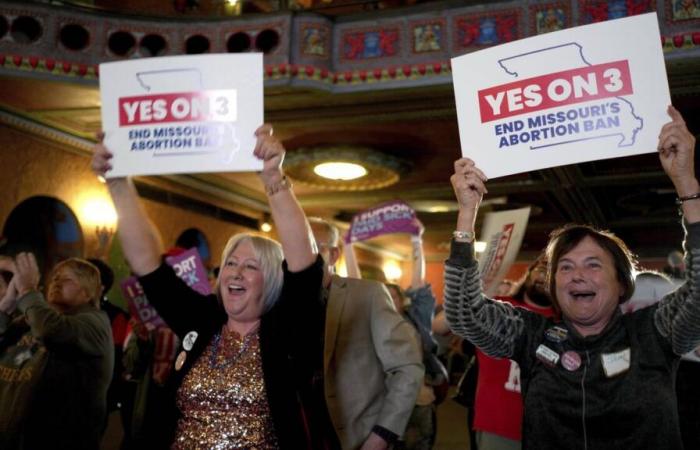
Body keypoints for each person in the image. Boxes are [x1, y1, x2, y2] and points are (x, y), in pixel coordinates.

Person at [443, 105, 700, 450]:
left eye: (593, 264)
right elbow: (464, 313)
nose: (577, 275)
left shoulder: (655, 331)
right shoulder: (532, 336)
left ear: (622, 283)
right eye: (565, 266)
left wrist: (686, 183)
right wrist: (466, 213)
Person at [92, 125, 337, 449]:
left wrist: (274, 181)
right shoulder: (204, 318)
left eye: (251, 267)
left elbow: (305, 267)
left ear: (274, 279)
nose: (235, 273)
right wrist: (118, 182)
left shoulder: (286, 329)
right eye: (231, 264)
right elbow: (147, 265)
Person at [308, 217, 424, 449]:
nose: (298, 254)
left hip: (355, 438)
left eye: (311, 247)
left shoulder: (367, 295)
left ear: (333, 255)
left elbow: (407, 368)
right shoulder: (275, 300)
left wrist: (382, 435)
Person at [0, 255, 114, 449]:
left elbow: (51, 330)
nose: (56, 283)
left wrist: (28, 290)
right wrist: (5, 309)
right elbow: (13, 354)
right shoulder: (34, 319)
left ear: (88, 293)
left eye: (67, 279)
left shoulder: (95, 323)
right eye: (54, 278)